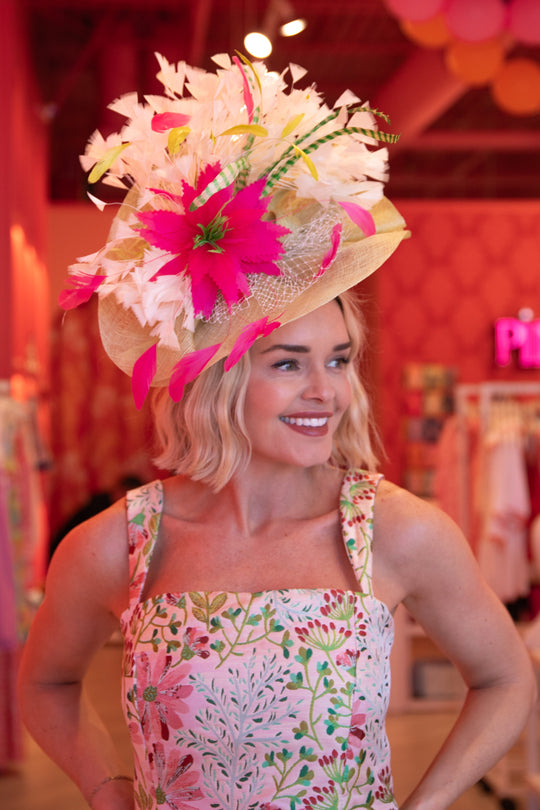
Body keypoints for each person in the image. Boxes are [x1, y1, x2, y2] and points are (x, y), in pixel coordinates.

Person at [18, 53, 535, 810]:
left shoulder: (395, 531)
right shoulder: (119, 545)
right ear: (218, 377)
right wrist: (106, 788)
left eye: (339, 359)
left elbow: (505, 677)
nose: (326, 391)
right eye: (289, 363)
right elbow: (45, 682)